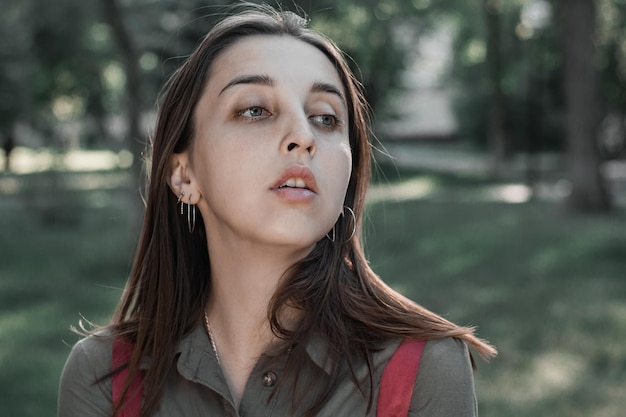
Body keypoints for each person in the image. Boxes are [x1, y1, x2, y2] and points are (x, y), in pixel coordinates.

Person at [58, 4, 496, 417]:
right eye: (255, 110)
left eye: (326, 118)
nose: (303, 136)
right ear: (184, 174)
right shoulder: (104, 378)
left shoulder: (424, 369)